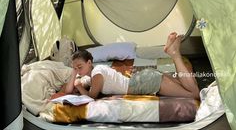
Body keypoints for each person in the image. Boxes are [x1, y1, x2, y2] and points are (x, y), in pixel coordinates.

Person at [64, 32, 200, 100]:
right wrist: (75, 76)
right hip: (144, 77)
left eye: (80, 67)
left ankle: (175, 54)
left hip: (145, 82)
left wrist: (79, 86)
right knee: (189, 87)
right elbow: (68, 90)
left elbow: (91, 96)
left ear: (89, 63)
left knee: (194, 95)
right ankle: (174, 53)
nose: (78, 70)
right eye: (75, 68)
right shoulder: (91, 76)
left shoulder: (97, 74)